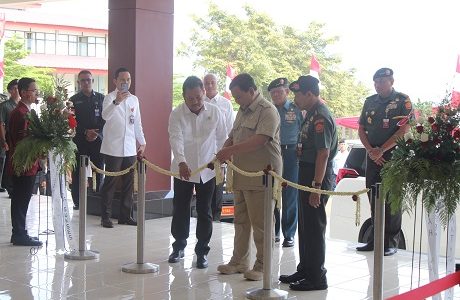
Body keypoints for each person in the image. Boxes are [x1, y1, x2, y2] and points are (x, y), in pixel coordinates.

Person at [216, 73, 282, 281]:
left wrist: (230, 150)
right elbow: (233, 136)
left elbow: (260, 140)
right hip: (242, 173)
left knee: (262, 224)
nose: (237, 101)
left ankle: (263, 265)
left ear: (251, 91)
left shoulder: (267, 110)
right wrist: (223, 152)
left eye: (239, 96)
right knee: (241, 220)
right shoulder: (242, 111)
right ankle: (239, 261)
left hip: (262, 174)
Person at [279, 75, 337, 291]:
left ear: (310, 94)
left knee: (314, 227)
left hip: (316, 175)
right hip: (306, 172)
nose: (295, 98)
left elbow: (323, 153)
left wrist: (316, 186)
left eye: (298, 94)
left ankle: (317, 276)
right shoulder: (310, 114)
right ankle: (305, 269)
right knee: (304, 226)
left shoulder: (321, 116)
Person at [168, 76, 227, 269]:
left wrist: (219, 161)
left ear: (204, 93)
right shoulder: (177, 113)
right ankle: (178, 246)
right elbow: (175, 138)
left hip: (208, 170)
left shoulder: (216, 111)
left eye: (198, 97)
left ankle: (202, 251)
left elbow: (221, 138)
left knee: (205, 211)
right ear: (184, 97)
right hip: (183, 169)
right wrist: (182, 162)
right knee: (181, 208)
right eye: (191, 98)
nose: (195, 102)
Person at [356, 68, 412, 256]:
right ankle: (375, 239)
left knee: (392, 200)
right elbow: (362, 128)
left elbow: (403, 130)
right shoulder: (370, 101)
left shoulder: (402, 100)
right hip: (372, 157)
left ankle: (390, 242)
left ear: (391, 81)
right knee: (374, 198)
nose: (378, 85)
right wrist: (372, 151)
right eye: (376, 82)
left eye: (382, 81)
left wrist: (382, 150)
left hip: (394, 157)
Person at [99, 67, 146, 228]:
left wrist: (143, 142)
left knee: (128, 183)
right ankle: (105, 216)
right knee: (110, 182)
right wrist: (116, 102)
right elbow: (105, 115)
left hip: (130, 147)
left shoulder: (134, 100)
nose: (126, 82)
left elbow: (137, 123)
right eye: (122, 80)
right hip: (113, 147)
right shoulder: (109, 98)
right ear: (115, 81)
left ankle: (125, 216)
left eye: (128, 80)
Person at [268, 77, 303, 248]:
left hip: (291, 153)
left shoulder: (296, 109)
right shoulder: (268, 110)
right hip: (272, 153)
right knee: (272, 191)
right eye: (273, 93)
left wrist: (300, 147)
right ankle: (273, 231)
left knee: (289, 195)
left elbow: (304, 130)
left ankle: (289, 234)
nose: (276, 95)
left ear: (287, 92)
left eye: (279, 92)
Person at [8, 77, 42, 247]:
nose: (36, 92)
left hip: (29, 163)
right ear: (23, 92)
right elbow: (22, 141)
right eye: (33, 90)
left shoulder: (26, 110)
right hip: (23, 164)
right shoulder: (20, 113)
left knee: (23, 199)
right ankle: (19, 234)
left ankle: (21, 231)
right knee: (21, 199)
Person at [70, 70, 105, 210]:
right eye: (83, 80)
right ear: (78, 83)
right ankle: (77, 202)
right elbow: (71, 121)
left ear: (93, 81)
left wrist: (96, 132)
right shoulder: (73, 100)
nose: (86, 82)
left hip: (98, 140)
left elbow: (106, 118)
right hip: (80, 141)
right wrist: (85, 131)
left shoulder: (102, 98)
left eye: (88, 80)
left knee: (99, 171)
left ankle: (96, 198)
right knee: (78, 171)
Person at [203, 73, 234, 221]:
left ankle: (216, 217)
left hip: (220, 153)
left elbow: (230, 130)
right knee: (204, 186)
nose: (209, 85)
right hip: (203, 153)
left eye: (212, 82)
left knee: (218, 187)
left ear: (217, 84)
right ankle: (205, 216)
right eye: (206, 83)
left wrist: (226, 153)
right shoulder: (199, 102)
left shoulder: (225, 103)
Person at [0, 79, 20, 196]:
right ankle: (7, 186)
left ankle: (10, 185)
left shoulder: (22, 105)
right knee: (5, 161)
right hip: (7, 138)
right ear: (11, 91)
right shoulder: (5, 106)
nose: (18, 91)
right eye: (16, 88)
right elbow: (1, 124)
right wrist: (3, 140)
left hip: (18, 140)